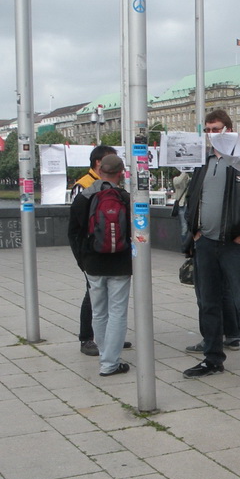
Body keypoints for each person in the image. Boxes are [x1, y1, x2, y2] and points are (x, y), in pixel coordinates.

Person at [181, 108, 240, 383]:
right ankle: (212, 358)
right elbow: (192, 199)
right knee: (208, 303)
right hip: (205, 244)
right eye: (208, 130)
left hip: (234, 245)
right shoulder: (202, 162)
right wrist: (195, 230)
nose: (212, 134)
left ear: (229, 130)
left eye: (217, 129)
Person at [67, 154, 132, 376]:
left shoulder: (83, 198)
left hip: (93, 263)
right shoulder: (125, 198)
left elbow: (73, 232)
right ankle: (110, 363)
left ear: (99, 170)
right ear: (120, 173)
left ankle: (106, 358)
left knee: (99, 312)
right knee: (117, 312)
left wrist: (82, 261)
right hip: (120, 263)